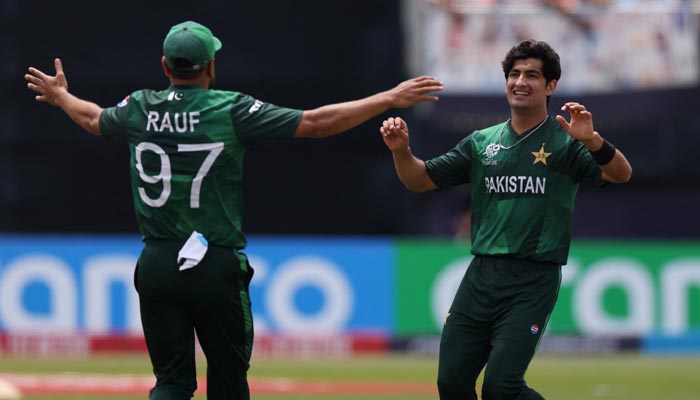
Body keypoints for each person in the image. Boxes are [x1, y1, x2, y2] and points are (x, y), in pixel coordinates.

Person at [25, 20, 443, 400]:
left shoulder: (140, 107)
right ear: (210, 67)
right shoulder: (229, 109)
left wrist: (62, 97)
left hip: (157, 263)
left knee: (171, 383)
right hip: (214, 264)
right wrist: (388, 97)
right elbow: (317, 123)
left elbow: (94, 118)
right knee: (227, 381)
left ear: (165, 66)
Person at [380, 39, 631, 400]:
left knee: (501, 387)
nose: (520, 81)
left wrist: (592, 141)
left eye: (532, 75)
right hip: (481, 276)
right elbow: (419, 179)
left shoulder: (565, 141)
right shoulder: (482, 143)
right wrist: (401, 151)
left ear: (551, 86)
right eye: (514, 74)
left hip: (532, 278)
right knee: (451, 383)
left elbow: (621, 173)